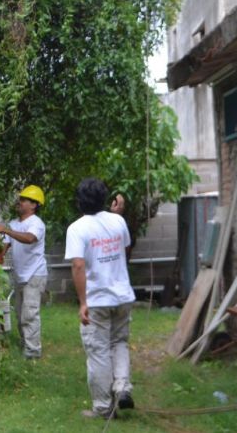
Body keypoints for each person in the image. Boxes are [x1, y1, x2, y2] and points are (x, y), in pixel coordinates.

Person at [64, 178, 135, 419]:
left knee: (98, 351)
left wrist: (83, 302)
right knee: (120, 342)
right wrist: (116, 215)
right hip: (123, 296)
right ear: (105, 199)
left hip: (98, 300)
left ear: (79, 201)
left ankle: (104, 408)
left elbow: (78, 265)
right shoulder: (118, 220)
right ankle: (122, 387)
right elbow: (124, 250)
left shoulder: (77, 228)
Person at [0, 185, 48, 359]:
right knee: (19, 314)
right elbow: (4, 248)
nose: (19, 202)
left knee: (30, 313)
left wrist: (7, 231)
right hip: (20, 275)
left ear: (34, 205)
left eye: (24, 200)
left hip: (35, 274)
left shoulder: (36, 224)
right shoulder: (14, 223)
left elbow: (30, 238)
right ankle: (26, 344)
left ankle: (33, 353)